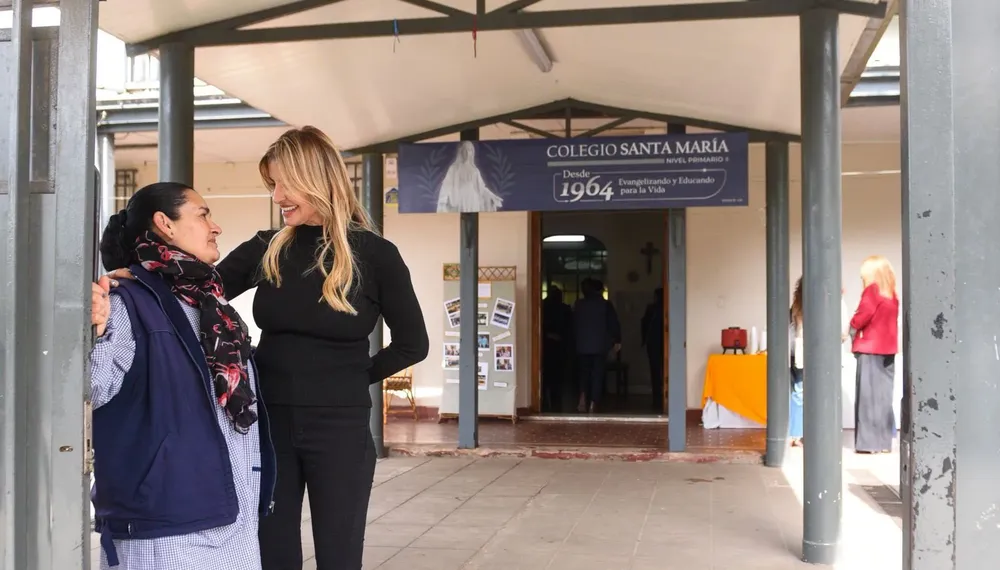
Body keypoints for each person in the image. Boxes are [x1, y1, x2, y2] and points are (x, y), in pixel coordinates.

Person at [216, 126, 429, 569]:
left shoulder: (375, 255)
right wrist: (134, 281)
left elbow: (413, 344)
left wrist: (352, 377)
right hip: (269, 421)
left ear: (316, 178)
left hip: (340, 426)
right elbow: (198, 293)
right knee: (273, 551)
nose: (277, 196)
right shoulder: (267, 248)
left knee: (338, 552)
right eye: (271, 184)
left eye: (284, 183)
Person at [89, 182, 276, 570]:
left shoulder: (212, 305)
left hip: (232, 510)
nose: (216, 226)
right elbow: (93, 387)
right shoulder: (127, 302)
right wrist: (95, 334)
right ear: (165, 224)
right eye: (203, 214)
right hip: (166, 521)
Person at [849, 255, 900, 454]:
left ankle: (868, 444)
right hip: (888, 350)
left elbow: (862, 316)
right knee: (883, 397)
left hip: (870, 349)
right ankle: (883, 442)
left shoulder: (872, 291)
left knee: (867, 398)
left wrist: (852, 326)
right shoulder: (892, 294)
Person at [573, 279, 622, 413]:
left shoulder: (579, 305)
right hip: (600, 346)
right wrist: (617, 341)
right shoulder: (605, 305)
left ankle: (582, 398)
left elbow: (573, 325)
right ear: (599, 290)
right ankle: (593, 403)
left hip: (581, 345)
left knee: (583, 374)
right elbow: (613, 324)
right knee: (597, 375)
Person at [435, 141, 503, 213]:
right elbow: (447, 185)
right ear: (461, 152)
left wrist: (492, 196)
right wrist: (443, 199)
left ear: (472, 152)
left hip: (473, 200)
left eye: (470, 150)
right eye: (465, 150)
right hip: (459, 200)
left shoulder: (475, 170)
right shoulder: (454, 168)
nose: (467, 152)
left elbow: (481, 188)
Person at [541, 285, 573, 412]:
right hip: (559, 347)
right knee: (556, 378)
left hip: (545, 346)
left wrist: (546, 335)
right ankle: (555, 404)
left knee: (545, 376)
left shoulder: (542, 306)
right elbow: (570, 329)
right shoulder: (564, 309)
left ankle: (543, 402)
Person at [640, 288, 665, 413]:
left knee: (655, 370)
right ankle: (664, 396)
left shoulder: (651, 308)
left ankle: (657, 396)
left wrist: (644, 340)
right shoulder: (667, 307)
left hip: (653, 343)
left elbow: (644, 324)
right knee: (665, 370)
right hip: (665, 343)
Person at [788, 277, 804, 447]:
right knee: (799, 392)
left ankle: (795, 432)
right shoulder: (804, 307)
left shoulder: (796, 304)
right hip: (803, 352)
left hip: (795, 352)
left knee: (797, 392)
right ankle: (797, 433)